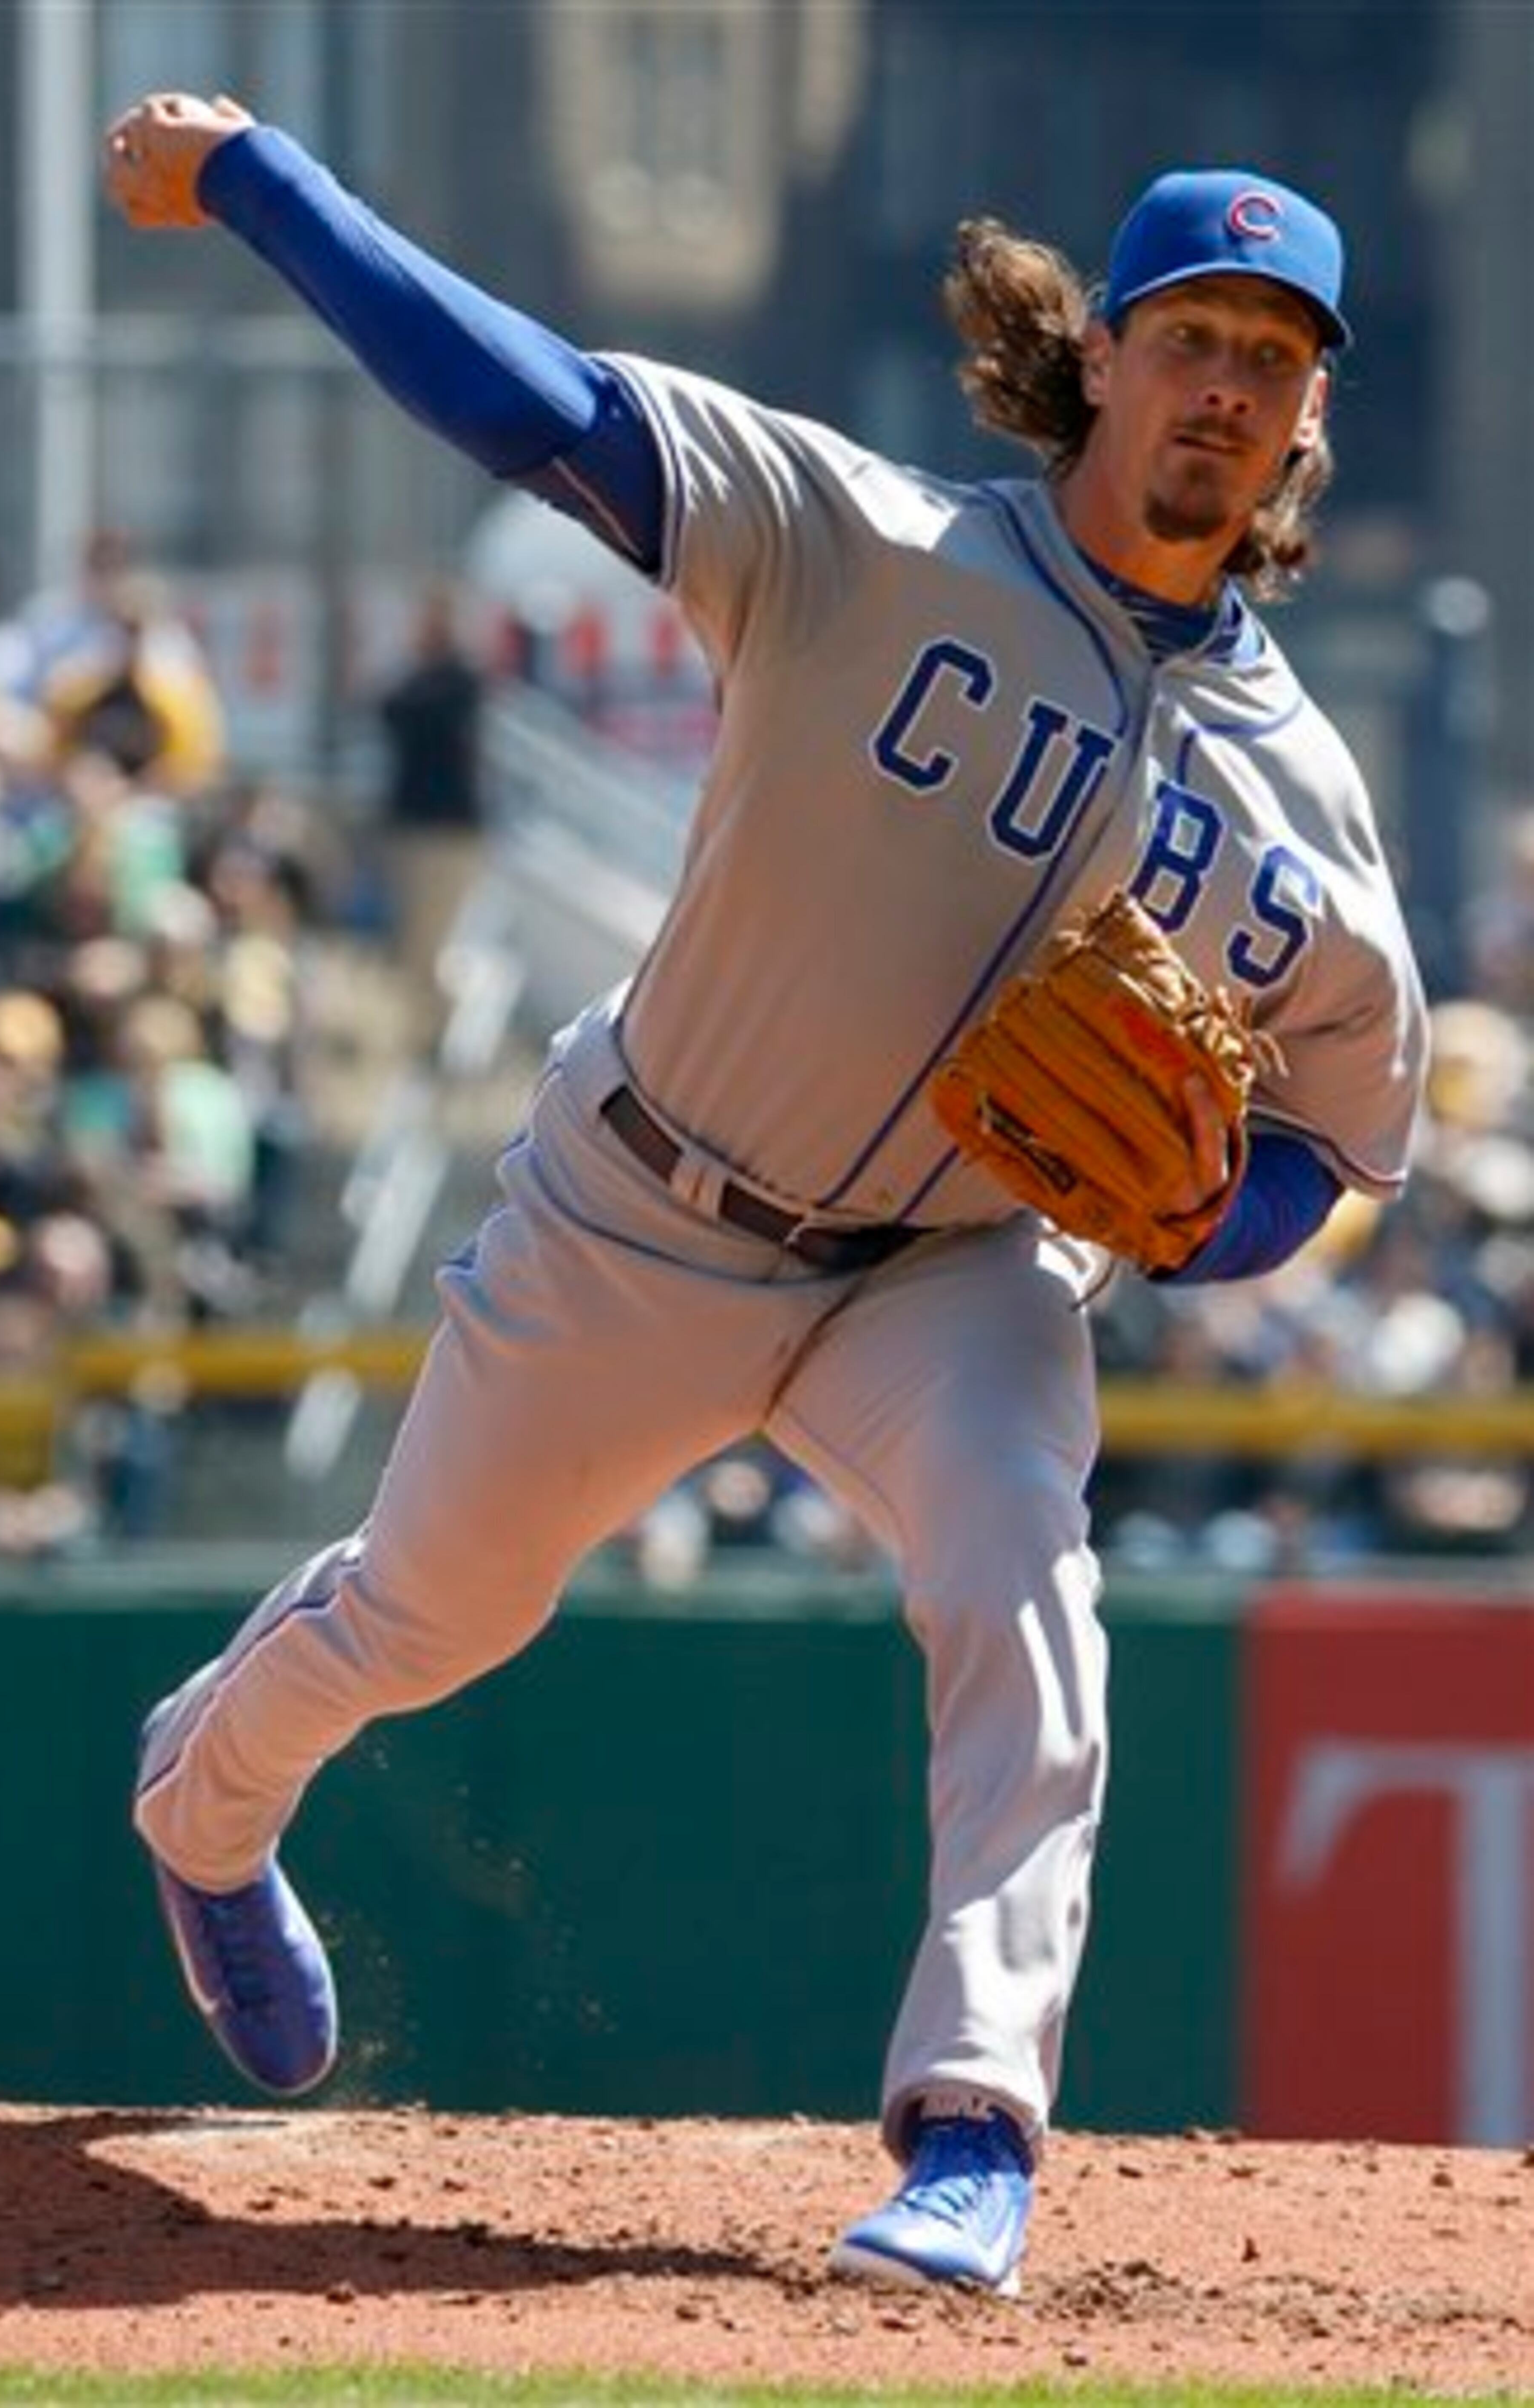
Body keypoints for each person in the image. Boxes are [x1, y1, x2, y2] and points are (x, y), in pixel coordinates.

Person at [104, 93, 1427, 2295]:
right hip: (640, 1207)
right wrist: (262, 183)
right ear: (1099, 353)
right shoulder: (866, 536)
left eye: (1275, 356)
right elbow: (528, 398)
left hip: (955, 1273)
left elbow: (1334, 1140)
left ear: (1310, 416)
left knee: (1028, 1576)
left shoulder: (1309, 805)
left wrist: (1213, 1228)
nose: (1230, 384)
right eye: (1195, 332)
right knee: (433, 1616)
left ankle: (973, 2125)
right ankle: (201, 1804)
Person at [371, 580, 485, 1051]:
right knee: (411, 949)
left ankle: (448, 1031)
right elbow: (387, 709)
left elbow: (419, 715)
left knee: (432, 945)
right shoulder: (415, 678)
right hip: (411, 827)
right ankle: (425, 1039)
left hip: (449, 833)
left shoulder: (461, 680)